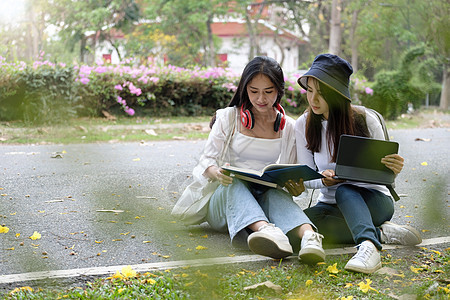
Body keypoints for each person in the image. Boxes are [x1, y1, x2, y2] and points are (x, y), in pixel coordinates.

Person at [188, 56, 325, 263]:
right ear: (245, 89)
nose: (261, 99)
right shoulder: (228, 118)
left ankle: (309, 238)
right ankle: (267, 232)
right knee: (235, 182)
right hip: (224, 201)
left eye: (268, 92)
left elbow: (292, 174)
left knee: (275, 194)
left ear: (279, 90)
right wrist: (217, 172)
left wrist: (295, 187)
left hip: (262, 197)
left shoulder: (288, 127)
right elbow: (205, 161)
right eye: (254, 91)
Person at [294, 54, 422, 274]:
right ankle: (380, 233)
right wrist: (322, 180)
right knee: (296, 230)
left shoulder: (365, 119)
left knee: (345, 190)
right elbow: (307, 178)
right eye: (310, 91)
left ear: (338, 94)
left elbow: (384, 172)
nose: (313, 100)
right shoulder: (303, 124)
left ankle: (369, 247)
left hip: (374, 200)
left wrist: (394, 168)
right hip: (329, 206)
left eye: (321, 94)